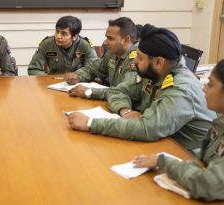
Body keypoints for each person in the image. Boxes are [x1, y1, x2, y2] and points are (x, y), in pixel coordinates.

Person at [68, 24, 216, 154]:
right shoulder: (155, 73)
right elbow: (117, 91)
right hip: (160, 144)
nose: (134, 60)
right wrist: (124, 111)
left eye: (139, 57)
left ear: (159, 62)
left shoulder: (181, 89)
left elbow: (148, 128)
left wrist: (90, 123)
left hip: (186, 155)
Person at [133, 57, 224, 201]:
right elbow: (205, 157)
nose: (204, 88)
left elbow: (210, 185)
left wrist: (164, 162)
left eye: (211, 85)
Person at [65, 17, 138, 100]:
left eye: (110, 38)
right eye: (106, 37)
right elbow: (94, 69)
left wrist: (89, 92)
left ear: (126, 40)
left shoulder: (137, 60)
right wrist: (77, 75)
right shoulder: (112, 54)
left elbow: (124, 92)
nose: (104, 43)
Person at [27, 16, 97, 75]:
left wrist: (77, 77)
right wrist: (47, 79)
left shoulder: (85, 45)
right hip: (52, 83)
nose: (58, 36)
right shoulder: (46, 44)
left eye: (64, 33)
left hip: (77, 84)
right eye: (57, 31)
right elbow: (33, 69)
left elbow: (93, 70)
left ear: (74, 36)